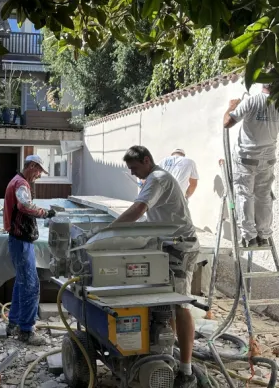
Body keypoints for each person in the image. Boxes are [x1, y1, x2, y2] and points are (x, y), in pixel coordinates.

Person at [111, 145, 200, 388]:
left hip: (180, 247)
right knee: (164, 305)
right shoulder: (153, 178)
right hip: (166, 245)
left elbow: (139, 209)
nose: (133, 173)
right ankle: (166, 355)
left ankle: (186, 370)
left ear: (147, 161)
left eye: (135, 168)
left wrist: (110, 232)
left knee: (180, 304)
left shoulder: (157, 178)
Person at [223, 83, 279, 248]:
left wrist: (231, 107)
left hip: (246, 157)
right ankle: (263, 235)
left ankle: (249, 236)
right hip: (267, 159)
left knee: (245, 195)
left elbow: (228, 122)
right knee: (264, 196)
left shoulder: (252, 101)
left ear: (263, 83)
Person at [3, 154, 57, 345]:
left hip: (18, 240)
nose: (39, 176)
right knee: (31, 286)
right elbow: (25, 206)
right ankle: (26, 330)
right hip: (21, 241)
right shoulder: (21, 184)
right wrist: (46, 213)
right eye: (39, 171)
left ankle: (14, 323)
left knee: (21, 282)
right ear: (32, 166)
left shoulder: (16, 181)